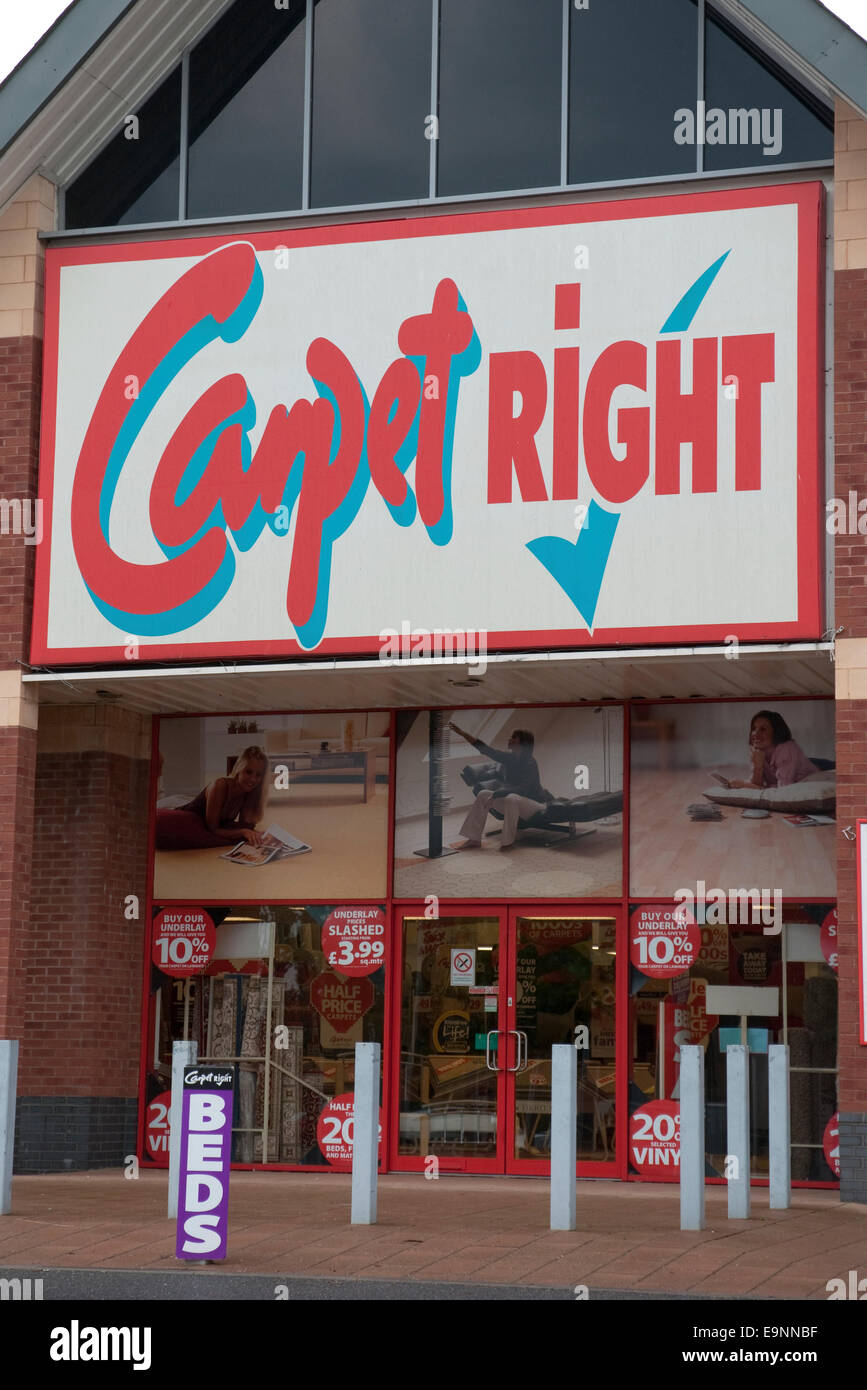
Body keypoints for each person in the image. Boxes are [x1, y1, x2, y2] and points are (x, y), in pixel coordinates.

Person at [448, 722, 552, 850]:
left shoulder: (530, 762)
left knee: (511, 797)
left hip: (536, 805)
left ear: (522, 742)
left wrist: (497, 793)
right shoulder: (510, 758)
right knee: (483, 794)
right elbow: (485, 749)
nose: (510, 739)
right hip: (515, 803)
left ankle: (507, 843)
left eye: (514, 737)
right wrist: (463, 734)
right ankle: (473, 839)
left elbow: (523, 790)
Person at [155, 745, 267, 850]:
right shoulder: (220, 785)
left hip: (203, 823)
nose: (253, 779)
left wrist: (256, 834)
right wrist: (244, 832)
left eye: (258, 775)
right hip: (186, 818)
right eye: (248, 772)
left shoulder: (249, 793)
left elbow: (243, 826)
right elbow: (214, 829)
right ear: (239, 769)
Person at [728, 710, 818, 790]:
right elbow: (757, 784)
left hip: (814, 776)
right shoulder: (758, 751)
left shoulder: (787, 748)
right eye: (754, 728)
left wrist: (744, 785)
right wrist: (758, 766)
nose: (755, 734)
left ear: (776, 732)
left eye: (763, 729)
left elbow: (784, 790)